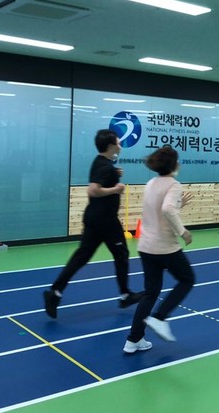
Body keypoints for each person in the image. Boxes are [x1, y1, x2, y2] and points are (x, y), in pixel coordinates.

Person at [43, 129, 143, 318]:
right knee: (121, 253)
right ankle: (125, 295)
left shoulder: (102, 163)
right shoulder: (104, 167)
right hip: (105, 220)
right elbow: (93, 190)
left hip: (95, 218)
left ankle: (55, 292)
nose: (120, 145)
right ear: (111, 145)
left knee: (82, 256)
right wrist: (116, 189)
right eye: (118, 142)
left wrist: (114, 174)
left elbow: (101, 179)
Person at [123, 145, 195, 354]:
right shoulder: (174, 185)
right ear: (173, 164)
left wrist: (179, 206)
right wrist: (183, 232)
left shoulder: (151, 183)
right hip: (165, 247)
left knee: (151, 293)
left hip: (146, 247)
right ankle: (160, 317)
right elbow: (167, 209)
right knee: (187, 279)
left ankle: (134, 339)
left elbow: (160, 210)